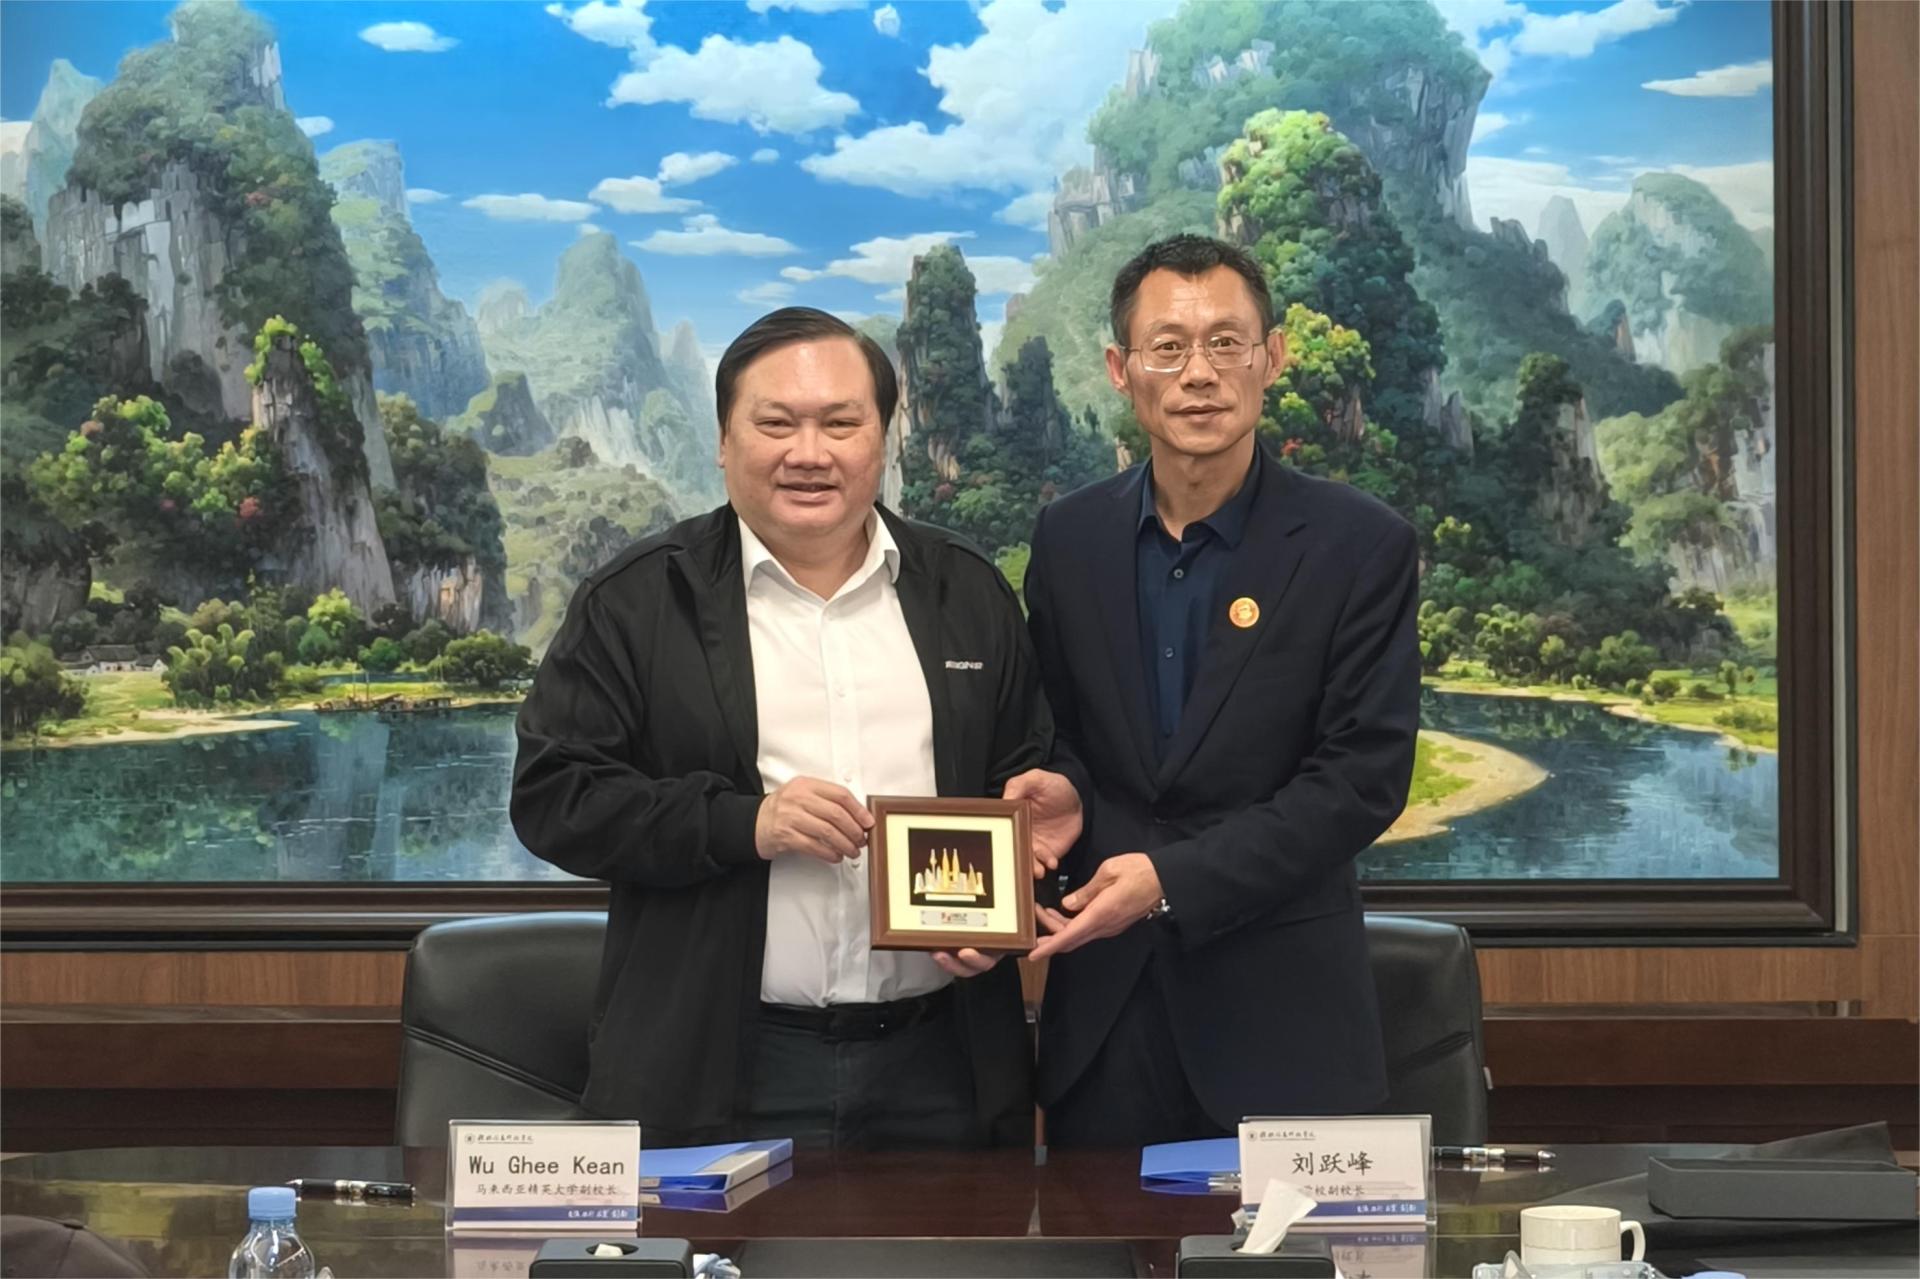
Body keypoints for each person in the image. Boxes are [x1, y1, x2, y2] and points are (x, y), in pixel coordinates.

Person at [511, 307, 1080, 1152]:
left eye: (840, 424)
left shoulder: (965, 592)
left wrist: (1020, 876)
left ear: (884, 437)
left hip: (943, 1066)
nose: (809, 453)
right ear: (723, 440)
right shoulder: (637, 601)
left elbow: (1025, 773)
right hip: (715, 1062)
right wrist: (748, 822)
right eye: (776, 423)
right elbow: (554, 797)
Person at [1023, 235, 1422, 1148]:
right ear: (1122, 370)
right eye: (1167, 347)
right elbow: (1058, 731)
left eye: (1226, 343)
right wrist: (1065, 786)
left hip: (1284, 1024)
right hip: (1105, 1024)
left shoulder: (1359, 545)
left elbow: (1360, 779)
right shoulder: (1069, 539)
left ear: (1271, 357)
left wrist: (1172, 879)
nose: (1198, 373)